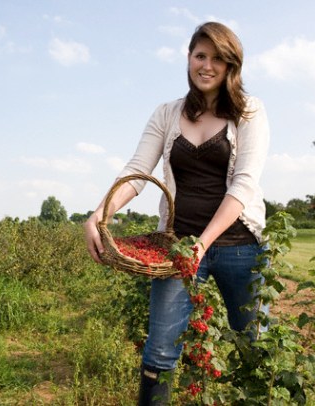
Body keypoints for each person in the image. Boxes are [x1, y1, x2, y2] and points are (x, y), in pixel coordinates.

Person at [83, 21, 270, 405]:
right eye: (200, 56)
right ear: (188, 58)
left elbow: (244, 184)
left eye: (218, 58)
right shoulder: (167, 113)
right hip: (179, 248)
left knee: (253, 343)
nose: (207, 65)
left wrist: (204, 244)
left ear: (232, 65)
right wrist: (98, 214)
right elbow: (136, 173)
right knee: (161, 348)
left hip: (241, 247)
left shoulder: (249, 111)